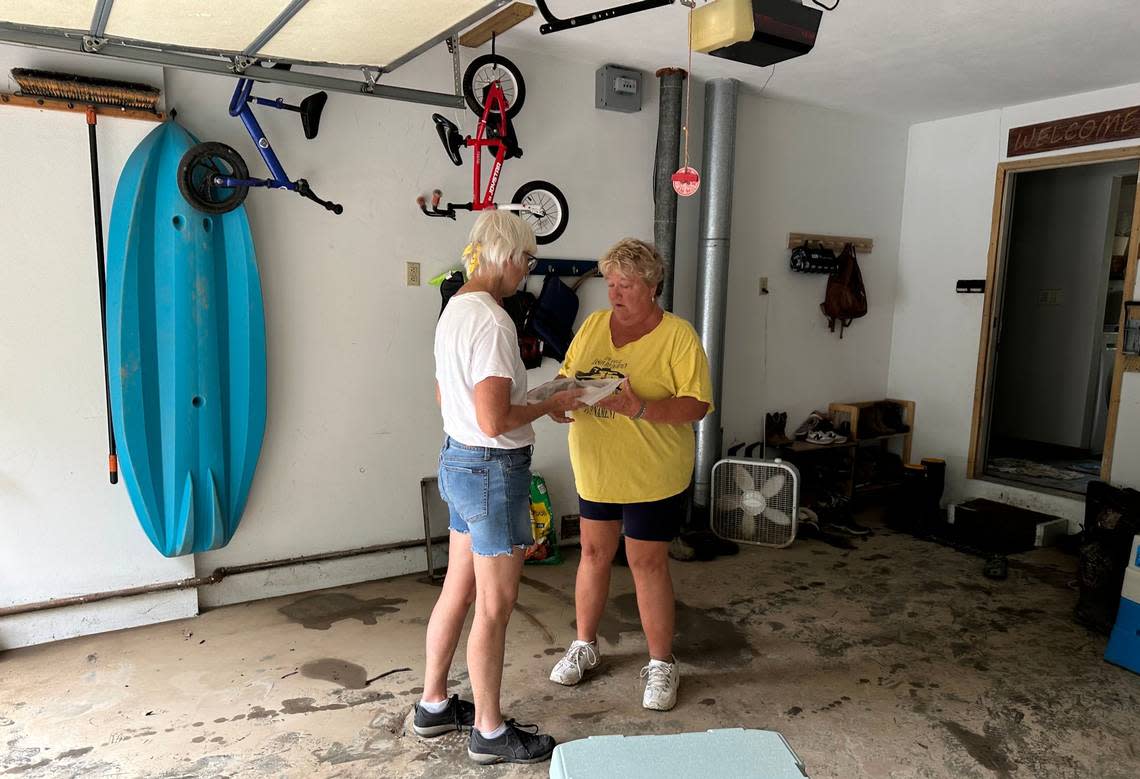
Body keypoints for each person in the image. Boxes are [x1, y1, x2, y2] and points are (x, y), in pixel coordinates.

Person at [414, 211, 583, 765]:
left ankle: (434, 705)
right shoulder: (493, 321)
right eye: (528, 261)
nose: (526, 273)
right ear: (507, 257)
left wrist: (536, 400)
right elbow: (494, 420)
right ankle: (488, 732)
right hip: (491, 470)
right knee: (495, 605)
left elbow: (449, 400)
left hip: (459, 463)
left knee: (459, 591)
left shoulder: (454, 310)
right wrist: (551, 402)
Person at [548, 238, 712, 711]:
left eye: (626, 286)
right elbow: (569, 377)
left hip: (651, 472)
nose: (614, 295)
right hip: (597, 466)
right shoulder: (596, 324)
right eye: (611, 284)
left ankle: (662, 663)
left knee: (646, 563)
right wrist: (558, 401)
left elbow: (696, 404)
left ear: (653, 286)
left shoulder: (678, 335)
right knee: (594, 554)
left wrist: (638, 406)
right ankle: (585, 644)